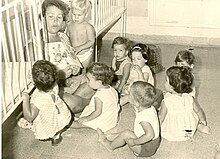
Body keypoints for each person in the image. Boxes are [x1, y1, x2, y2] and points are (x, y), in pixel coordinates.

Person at [97, 81, 161, 157]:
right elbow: (138, 96)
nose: (127, 94)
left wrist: (134, 142)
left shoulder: (144, 118)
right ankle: (112, 136)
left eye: (129, 94)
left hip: (146, 148)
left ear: (137, 103)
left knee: (126, 134)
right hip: (153, 142)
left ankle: (110, 146)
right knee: (127, 132)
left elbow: (150, 135)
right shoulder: (149, 107)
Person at [21, 60, 71, 146]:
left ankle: (54, 135)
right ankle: (56, 138)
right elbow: (45, 82)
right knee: (57, 126)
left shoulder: (38, 100)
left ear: (34, 82)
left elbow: (29, 117)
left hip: (47, 120)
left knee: (51, 129)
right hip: (58, 112)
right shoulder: (55, 86)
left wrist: (25, 99)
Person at [159, 66, 210, 142]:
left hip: (173, 132)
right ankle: (199, 126)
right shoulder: (190, 98)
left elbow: (161, 117)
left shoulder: (166, 101)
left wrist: (156, 129)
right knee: (192, 119)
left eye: (166, 81)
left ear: (172, 87)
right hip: (189, 130)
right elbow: (199, 111)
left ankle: (196, 127)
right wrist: (203, 120)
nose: (164, 83)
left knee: (161, 119)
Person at [70, 63, 120, 133]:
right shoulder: (112, 89)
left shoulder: (99, 96)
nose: (87, 82)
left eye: (89, 80)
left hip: (103, 120)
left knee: (78, 124)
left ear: (99, 82)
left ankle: (64, 122)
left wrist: (86, 118)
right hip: (111, 117)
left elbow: (97, 112)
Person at [120, 43, 163, 109]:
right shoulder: (134, 67)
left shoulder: (146, 70)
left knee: (128, 97)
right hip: (136, 89)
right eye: (133, 59)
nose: (135, 62)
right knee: (120, 85)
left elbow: (143, 85)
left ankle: (115, 106)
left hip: (145, 93)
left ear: (146, 59)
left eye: (138, 59)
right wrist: (127, 83)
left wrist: (140, 72)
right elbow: (131, 78)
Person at [67, 0, 96, 72]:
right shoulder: (69, 25)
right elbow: (67, 37)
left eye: (79, 15)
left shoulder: (88, 27)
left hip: (85, 55)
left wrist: (80, 48)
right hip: (74, 54)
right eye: (74, 14)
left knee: (85, 72)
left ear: (86, 14)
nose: (76, 17)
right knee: (74, 71)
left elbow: (92, 41)